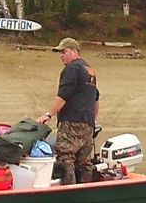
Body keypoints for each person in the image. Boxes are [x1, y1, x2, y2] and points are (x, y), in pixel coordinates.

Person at [36, 38, 99, 185]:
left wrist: (48, 114)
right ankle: (87, 193)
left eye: (64, 52)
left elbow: (63, 95)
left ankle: (70, 193)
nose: (61, 56)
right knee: (84, 161)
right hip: (88, 123)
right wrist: (91, 120)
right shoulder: (89, 71)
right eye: (60, 53)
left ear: (75, 52)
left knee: (65, 157)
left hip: (71, 121)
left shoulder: (72, 69)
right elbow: (96, 98)